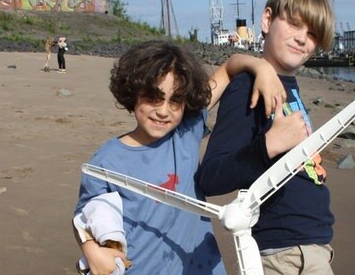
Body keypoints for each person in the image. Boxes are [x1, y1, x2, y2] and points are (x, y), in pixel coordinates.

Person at [73, 40, 283, 275]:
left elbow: (228, 68)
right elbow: (84, 217)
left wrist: (261, 67)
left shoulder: (186, 131)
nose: (163, 111)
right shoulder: (104, 162)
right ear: (133, 92)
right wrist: (91, 250)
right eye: (154, 97)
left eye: (175, 101)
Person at [196, 0, 335, 275]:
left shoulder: (288, 86)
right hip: (283, 253)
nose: (302, 39)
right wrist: (269, 144)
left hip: (313, 244)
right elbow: (211, 175)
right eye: (295, 24)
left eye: (312, 34)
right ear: (268, 20)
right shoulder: (248, 87)